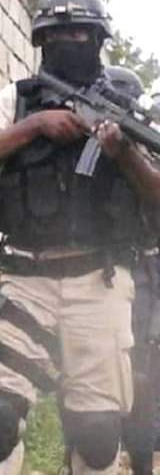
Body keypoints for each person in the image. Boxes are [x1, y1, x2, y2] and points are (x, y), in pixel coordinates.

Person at [0, 0, 160, 474]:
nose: (69, 42)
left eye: (81, 34)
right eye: (57, 34)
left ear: (99, 40)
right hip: (25, 280)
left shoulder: (124, 108)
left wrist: (123, 153)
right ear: (41, 42)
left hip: (99, 283)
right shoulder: (19, 99)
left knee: (97, 434)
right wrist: (36, 125)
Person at [105, 66, 160, 475]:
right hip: (103, 271)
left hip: (143, 271)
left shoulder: (145, 147)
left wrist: (125, 153)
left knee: (141, 371)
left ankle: (141, 458)